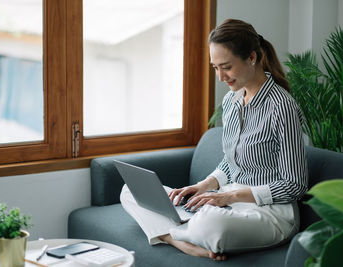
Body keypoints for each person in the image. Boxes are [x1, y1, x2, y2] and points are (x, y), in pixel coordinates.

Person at [120, 19, 308, 261]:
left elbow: (294, 185)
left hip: (270, 213)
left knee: (212, 224)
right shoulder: (231, 101)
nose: (220, 77)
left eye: (226, 67)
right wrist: (205, 185)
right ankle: (179, 239)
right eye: (215, 67)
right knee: (130, 191)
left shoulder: (282, 107)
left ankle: (176, 229)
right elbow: (231, 162)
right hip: (227, 203)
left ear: (251, 57)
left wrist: (228, 197)